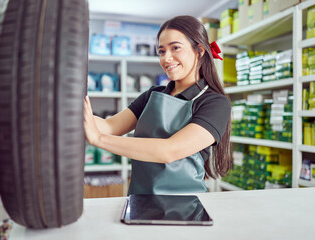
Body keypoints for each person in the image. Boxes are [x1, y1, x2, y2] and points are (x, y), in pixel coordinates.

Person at [83, 15, 232, 195]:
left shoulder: (214, 103)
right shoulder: (152, 95)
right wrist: (71, 107)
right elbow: (109, 126)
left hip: (184, 203)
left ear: (199, 51)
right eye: (161, 51)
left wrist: (99, 140)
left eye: (175, 48)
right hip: (139, 197)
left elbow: (169, 151)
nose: (166, 58)